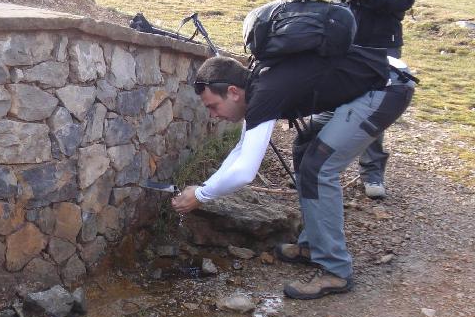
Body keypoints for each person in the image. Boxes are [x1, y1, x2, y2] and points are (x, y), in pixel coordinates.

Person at [171, 52, 414, 300]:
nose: (213, 115)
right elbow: (242, 149)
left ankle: (335, 269)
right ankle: (312, 245)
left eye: (213, 106)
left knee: (318, 169)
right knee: (304, 149)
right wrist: (204, 187)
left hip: (387, 87)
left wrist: (202, 195)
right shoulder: (258, 87)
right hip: (367, 85)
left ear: (233, 92)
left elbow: (245, 171)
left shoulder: (265, 93)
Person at [326, 0, 419, 199]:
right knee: (333, 101)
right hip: (346, 36)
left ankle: (373, 172)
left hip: (383, 40)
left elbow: (404, 0)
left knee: (375, 107)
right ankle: (322, 167)